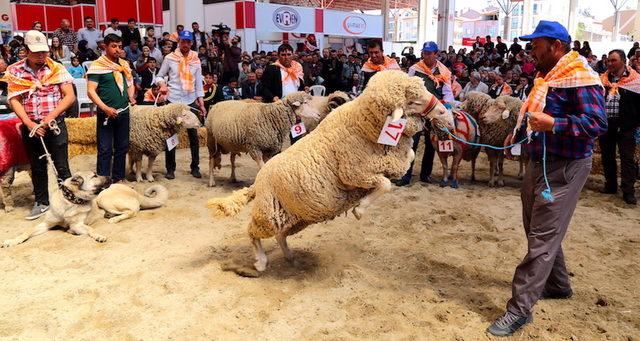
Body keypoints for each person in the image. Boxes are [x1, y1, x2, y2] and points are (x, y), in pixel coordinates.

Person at [489, 21, 607, 337]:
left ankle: (519, 310)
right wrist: (517, 134)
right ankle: (557, 285)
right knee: (536, 227)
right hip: (540, 159)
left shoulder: (581, 78)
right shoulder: (548, 76)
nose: (531, 50)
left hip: (566, 166)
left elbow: (596, 124)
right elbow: (533, 114)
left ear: (555, 45)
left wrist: (554, 123)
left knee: (542, 236)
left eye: (536, 44)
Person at [2, 30, 75, 220]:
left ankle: (69, 201)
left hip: (54, 123)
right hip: (31, 127)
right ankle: (42, 202)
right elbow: (14, 99)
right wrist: (28, 123)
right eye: (37, 52)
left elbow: (69, 96)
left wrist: (48, 118)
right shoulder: (15, 71)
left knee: (61, 165)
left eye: (44, 51)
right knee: (38, 165)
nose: (42, 55)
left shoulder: (56, 68)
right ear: (26, 50)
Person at [395, 41, 453, 187]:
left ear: (436, 54)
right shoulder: (415, 69)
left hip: (433, 112)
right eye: (424, 53)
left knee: (431, 143)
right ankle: (406, 175)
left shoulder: (444, 71)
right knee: (411, 142)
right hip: (416, 112)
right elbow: (407, 87)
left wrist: (446, 107)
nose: (426, 56)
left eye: (429, 53)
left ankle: (425, 174)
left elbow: (448, 93)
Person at [156, 30, 206, 179]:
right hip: (174, 100)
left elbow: (198, 83)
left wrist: (201, 103)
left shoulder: (195, 60)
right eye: (183, 41)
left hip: (190, 101)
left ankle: (195, 167)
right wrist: (162, 84)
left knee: (193, 136)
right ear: (179, 42)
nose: (185, 44)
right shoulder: (170, 58)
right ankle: (170, 169)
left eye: (188, 41)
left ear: (191, 43)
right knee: (172, 136)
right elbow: (159, 76)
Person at [86, 34, 136, 184]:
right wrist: (105, 108)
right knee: (105, 148)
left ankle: (119, 177)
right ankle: (103, 179)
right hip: (105, 113)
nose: (117, 50)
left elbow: (130, 83)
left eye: (120, 46)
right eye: (114, 46)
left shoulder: (124, 65)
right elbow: (91, 91)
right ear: (105, 46)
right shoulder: (98, 65)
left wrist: (131, 96)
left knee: (122, 146)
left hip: (123, 111)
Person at [599, 49, 640, 205]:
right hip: (607, 124)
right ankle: (610, 185)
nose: (609, 63)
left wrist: (635, 123)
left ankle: (628, 191)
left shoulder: (635, 80)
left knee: (627, 158)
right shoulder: (603, 80)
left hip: (626, 126)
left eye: (613, 60)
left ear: (623, 61)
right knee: (607, 156)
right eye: (608, 60)